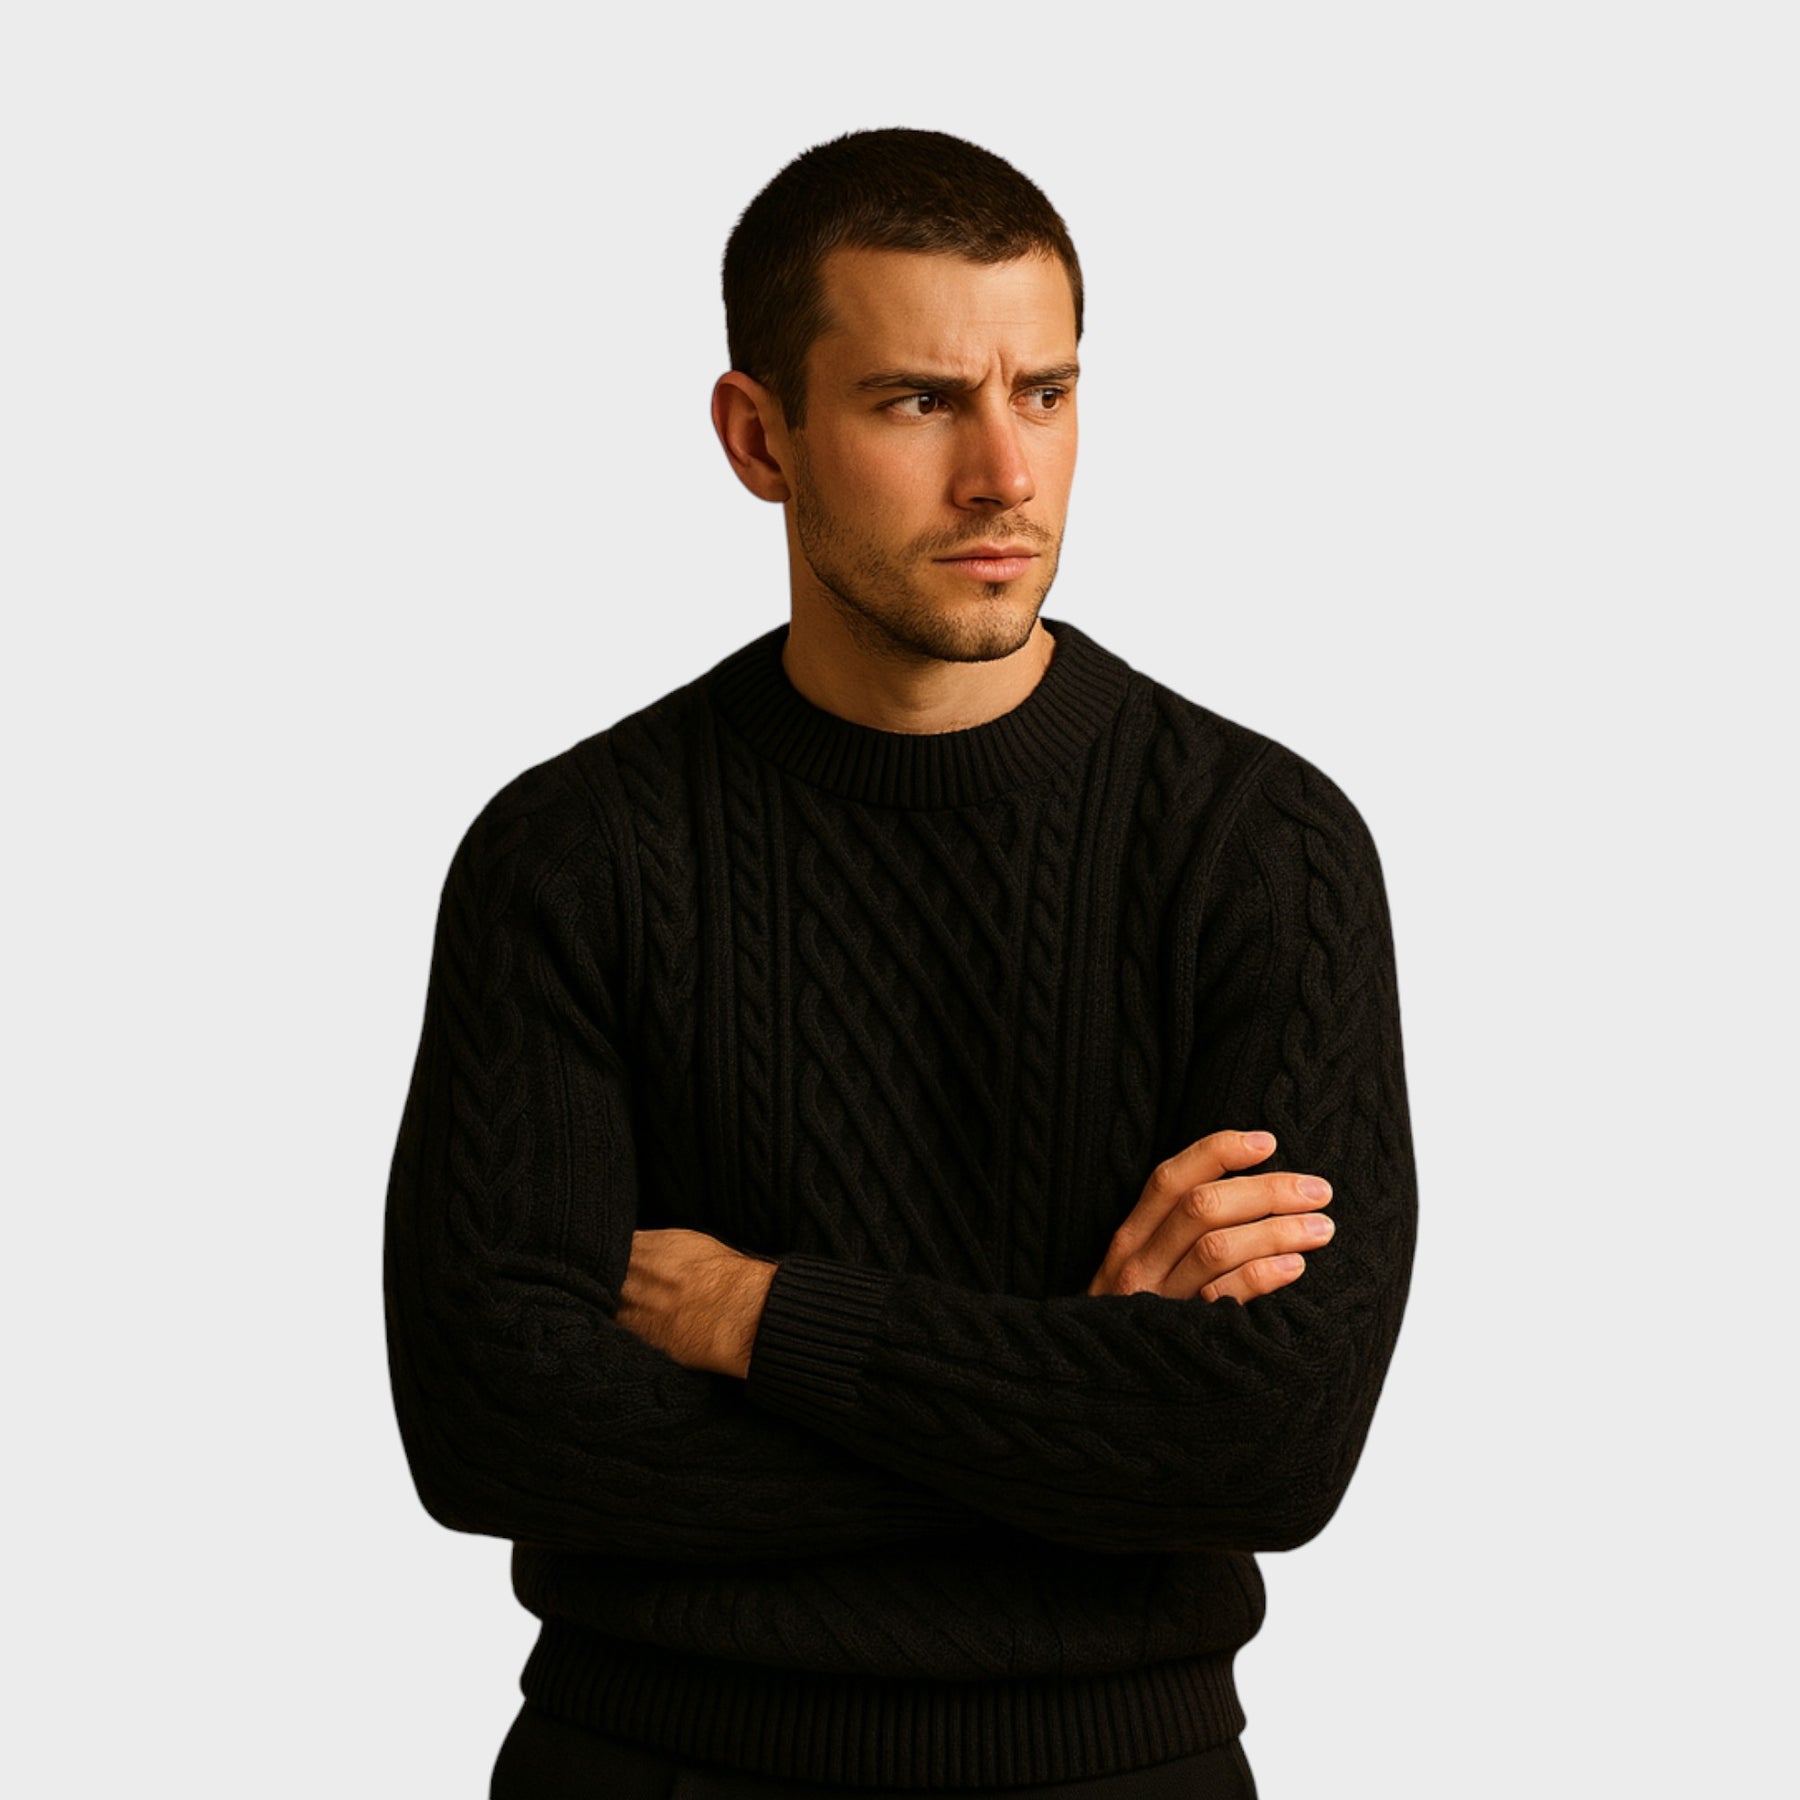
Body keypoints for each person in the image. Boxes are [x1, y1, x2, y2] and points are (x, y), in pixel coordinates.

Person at [384, 127, 1417, 1799]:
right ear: (759, 436)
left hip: (1120, 1776)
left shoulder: (1263, 848)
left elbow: (1269, 1447)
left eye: (1046, 394)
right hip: (650, 1769)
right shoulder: (574, 853)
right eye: (920, 401)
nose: (1005, 474)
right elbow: (494, 1429)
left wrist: (763, 1316)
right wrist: (1075, 1403)